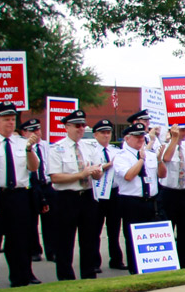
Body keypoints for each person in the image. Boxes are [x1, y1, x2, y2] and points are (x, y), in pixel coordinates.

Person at [0, 102, 41, 289]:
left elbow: (33, 168)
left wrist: (29, 149)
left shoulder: (22, 142)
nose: (11, 123)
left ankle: (20, 281)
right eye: (6, 120)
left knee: (19, 242)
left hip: (18, 196)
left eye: (13, 119)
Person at [47, 109, 103, 280]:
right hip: (66, 198)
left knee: (89, 238)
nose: (81, 129)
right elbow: (55, 177)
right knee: (65, 240)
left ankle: (89, 274)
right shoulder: (57, 148)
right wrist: (81, 174)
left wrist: (96, 173)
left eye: (83, 125)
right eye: (77, 126)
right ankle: (65, 277)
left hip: (86, 196)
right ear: (67, 127)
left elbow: (98, 172)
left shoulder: (89, 147)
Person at [113, 122, 167, 274]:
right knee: (132, 239)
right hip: (131, 202)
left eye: (142, 137)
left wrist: (159, 159)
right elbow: (129, 175)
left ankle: (152, 266)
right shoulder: (121, 156)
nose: (140, 140)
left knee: (152, 235)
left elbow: (162, 175)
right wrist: (141, 160)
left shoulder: (149, 155)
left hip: (151, 201)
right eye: (137, 137)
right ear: (127, 138)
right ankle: (135, 271)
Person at [158, 124, 185, 269]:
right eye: (180, 130)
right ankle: (168, 262)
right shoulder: (166, 147)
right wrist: (174, 139)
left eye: (184, 130)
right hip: (169, 192)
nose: (183, 133)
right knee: (168, 229)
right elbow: (167, 159)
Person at [89, 119, 126, 270]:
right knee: (95, 230)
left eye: (108, 132)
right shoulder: (91, 150)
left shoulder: (115, 151)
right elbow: (90, 168)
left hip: (113, 193)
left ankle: (116, 260)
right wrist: (106, 165)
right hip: (97, 193)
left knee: (114, 229)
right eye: (103, 133)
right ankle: (94, 262)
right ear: (95, 135)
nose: (106, 136)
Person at [20, 118, 54, 263]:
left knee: (51, 221)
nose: (36, 133)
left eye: (38, 129)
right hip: (31, 186)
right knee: (31, 221)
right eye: (32, 130)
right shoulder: (22, 146)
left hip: (46, 184)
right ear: (25, 132)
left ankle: (52, 251)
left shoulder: (47, 146)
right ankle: (34, 250)